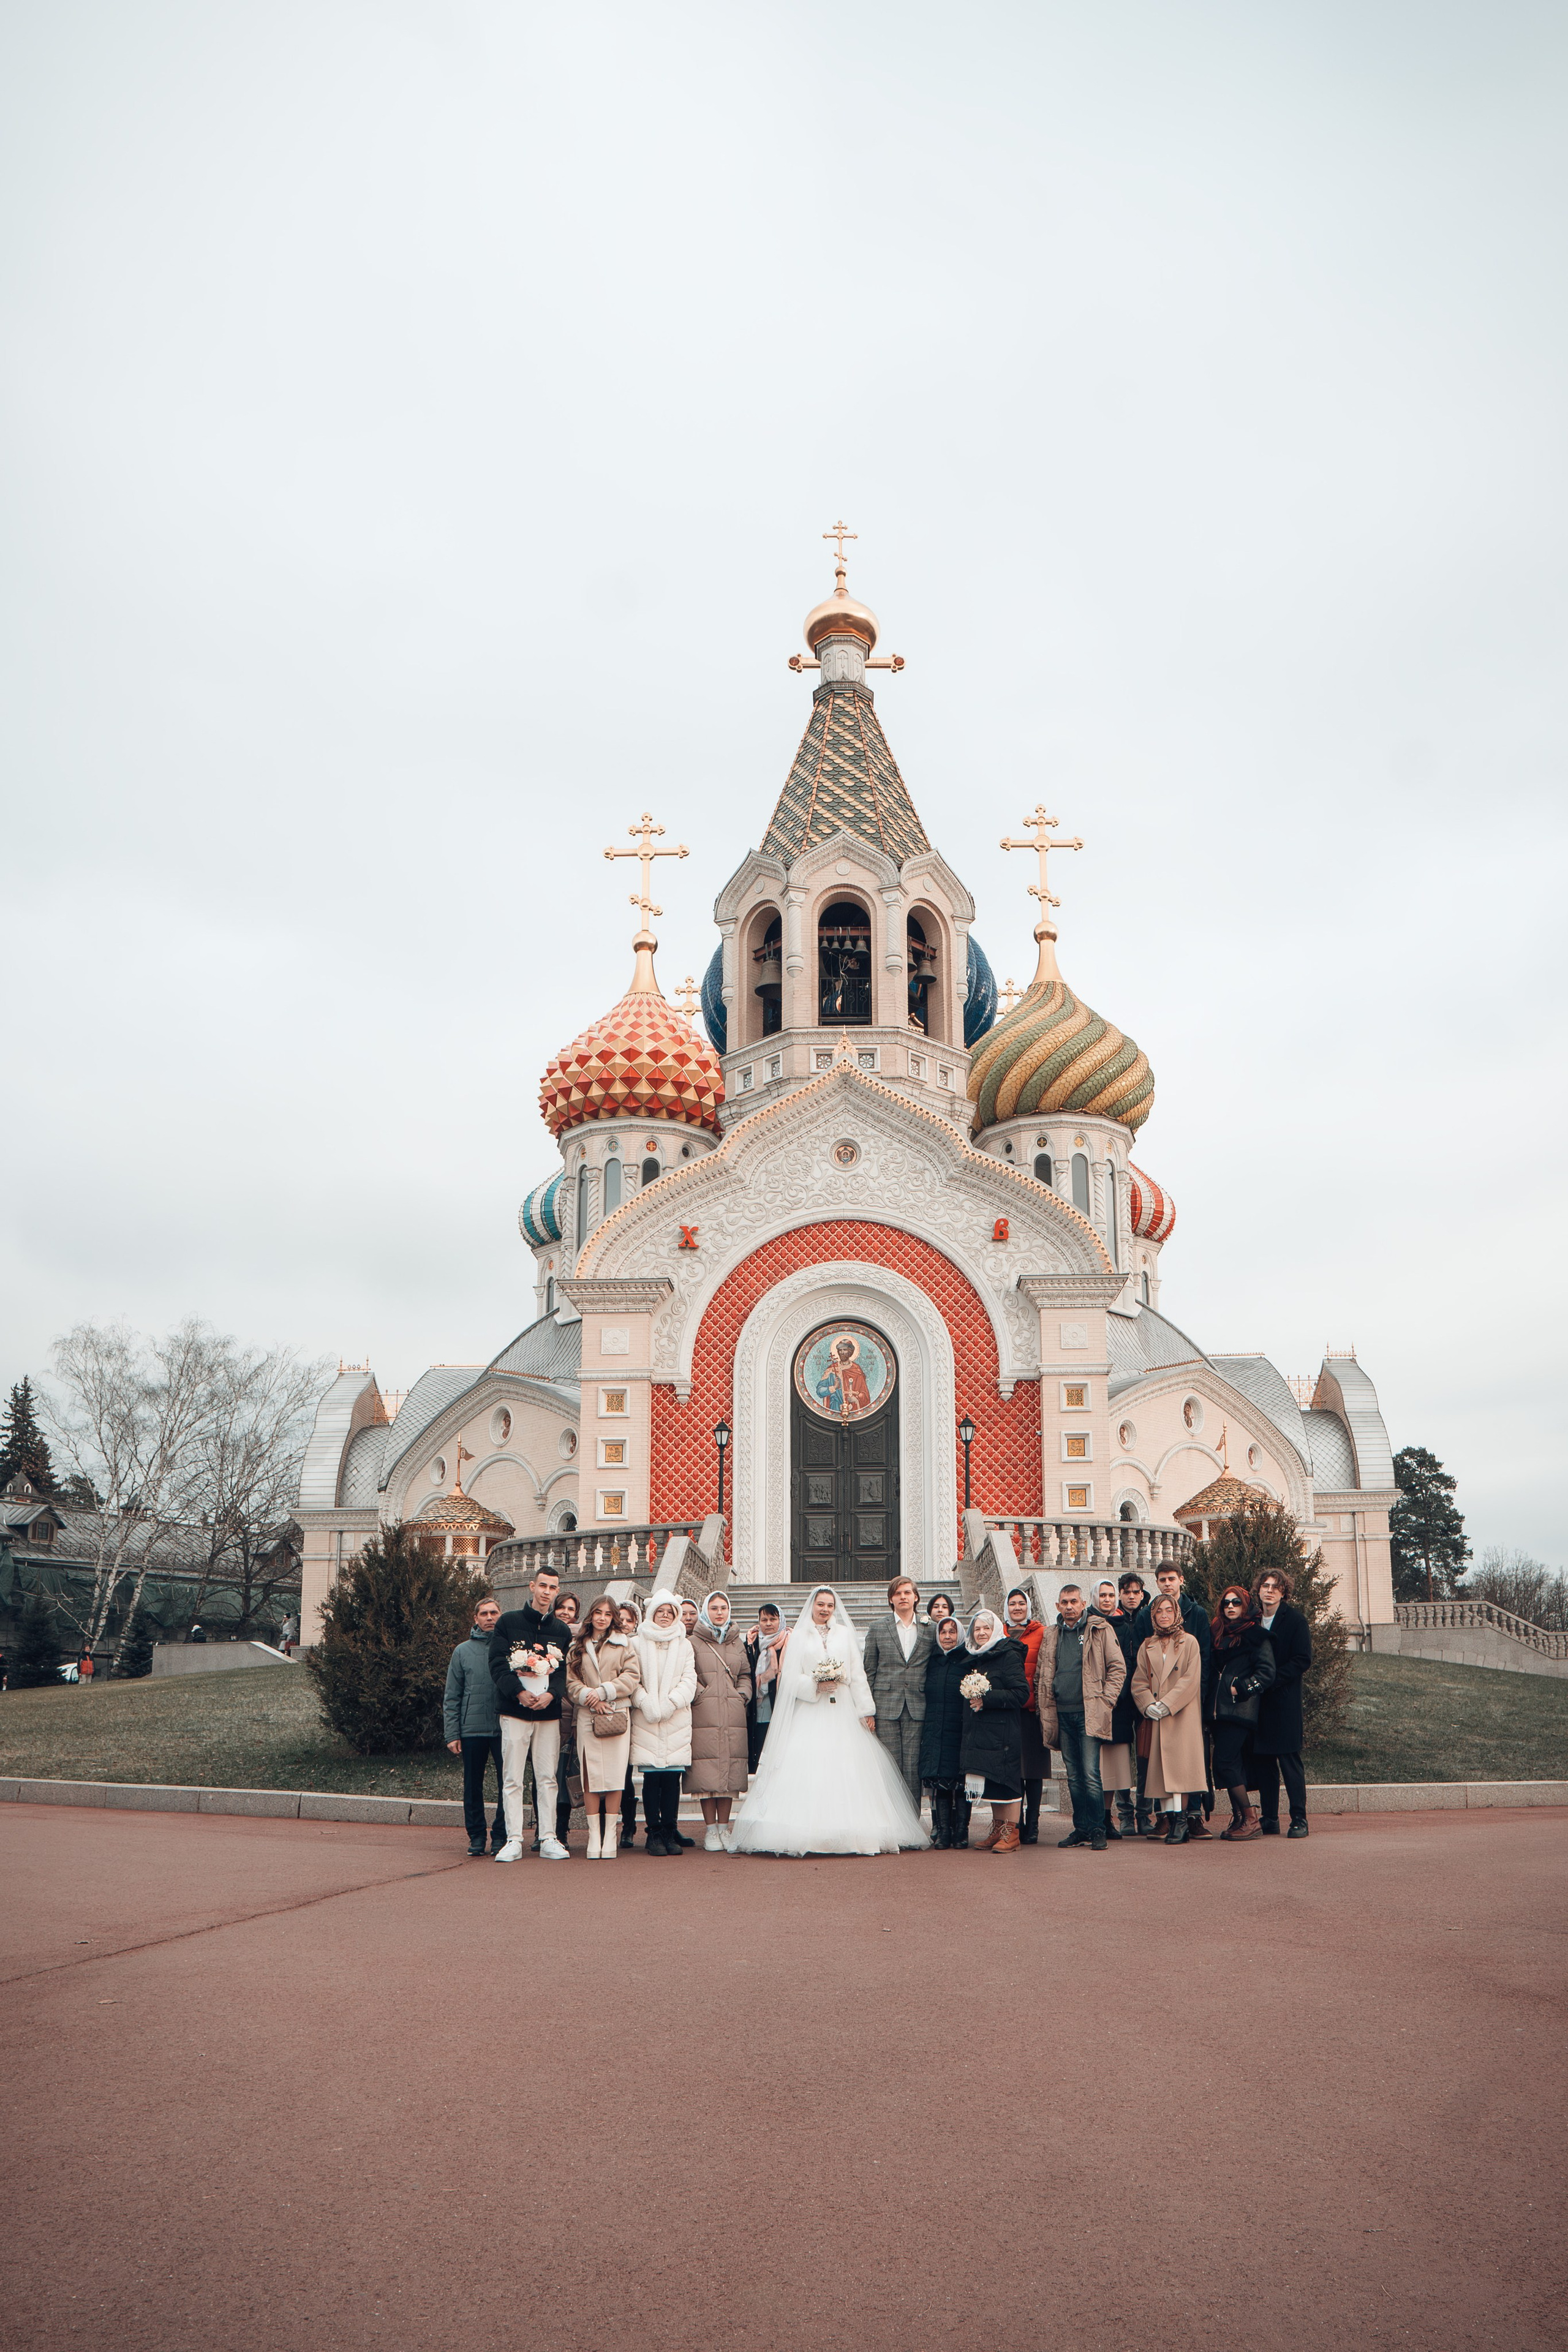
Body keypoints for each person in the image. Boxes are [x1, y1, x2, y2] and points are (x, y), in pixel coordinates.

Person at [733, 1586, 930, 1856]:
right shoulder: (799, 1637)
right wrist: (815, 1684)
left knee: (849, 1767)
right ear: (811, 1606)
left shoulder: (845, 1634)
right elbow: (789, 1678)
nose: (825, 1610)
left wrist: (866, 1710)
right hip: (811, 1711)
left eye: (830, 1605)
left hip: (844, 1709)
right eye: (821, 1604)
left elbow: (858, 1674)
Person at [488, 1565, 576, 1863]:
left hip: (548, 1715)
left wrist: (552, 1695)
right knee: (512, 1777)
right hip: (515, 1711)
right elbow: (498, 1665)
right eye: (542, 1586)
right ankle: (513, 1839)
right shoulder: (509, 1622)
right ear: (532, 1586)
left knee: (547, 1777)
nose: (547, 1592)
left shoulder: (561, 1631)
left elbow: (563, 1673)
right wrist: (519, 1693)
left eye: (552, 1588)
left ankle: (548, 1836)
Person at [1035, 1583, 1125, 1852]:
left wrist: (1106, 1701)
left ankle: (1098, 1829)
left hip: (1089, 1713)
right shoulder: (1052, 1634)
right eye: (1065, 1602)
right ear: (1057, 1606)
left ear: (1083, 1603)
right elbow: (1043, 1672)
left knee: (1091, 1774)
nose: (1070, 1606)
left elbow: (1117, 1668)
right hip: (1062, 1714)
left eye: (1074, 1601)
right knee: (1074, 1776)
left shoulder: (1099, 1629)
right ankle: (1081, 1828)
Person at [1132, 1561, 1213, 1836]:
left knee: (1181, 1769)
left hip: (1181, 1713)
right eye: (1159, 1611)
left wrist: (1168, 1704)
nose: (1164, 1615)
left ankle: (1184, 1820)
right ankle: (1168, 1818)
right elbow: (1139, 1680)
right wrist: (1148, 1705)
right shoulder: (1148, 1644)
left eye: (1169, 1610)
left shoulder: (1189, 1640)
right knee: (1162, 1771)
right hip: (1157, 1715)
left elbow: (1192, 1677)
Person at [566, 1594, 642, 1860]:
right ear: (591, 1615)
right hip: (588, 1715)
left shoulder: (624, 1645)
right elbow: (571, 1681)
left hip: (616, 1714)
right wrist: (590, 1697)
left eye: (608, 1614)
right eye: (598, 1612)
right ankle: (593, 1834)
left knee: (614, 1776)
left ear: (614, 1618)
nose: (602, 1618)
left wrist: (604, 1692)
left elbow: (632, 1677)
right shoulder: (578, 1645)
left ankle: (610, 1833)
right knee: (591, 1775)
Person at [630, 1591, 698, 1857]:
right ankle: (654, 1833)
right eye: (661, 1612)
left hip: (676, 1718)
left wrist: (671, 1702)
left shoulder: (685, 1645)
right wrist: (645, 1702)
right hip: (646, 1719)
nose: (666, 1616)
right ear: (652, 1613)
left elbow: (689, 1679)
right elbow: (631, 1679)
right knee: (651, 1780)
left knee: (672, 1780)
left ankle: (670, 1831)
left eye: (670, 1612)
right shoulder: (636, 1643)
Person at [1207, 1585, 1276, 1842]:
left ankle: (1250, 1818)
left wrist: (1242, 1689)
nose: (1231, 1607)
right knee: (1228, 1764)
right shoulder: (1218, 1632)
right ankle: (1240, 1817)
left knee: (1225, 1761)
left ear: (1245, 1605)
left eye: (1236, 1603)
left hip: (1239, 1709)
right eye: (1226, 1603)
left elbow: (1267, 1673)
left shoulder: (1257, 1635)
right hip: (1217, 1711)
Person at [959, 1605, 1028, 1854]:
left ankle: (1012, 1832)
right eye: (977, 1629)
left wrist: (987, 1698)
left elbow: (1021, 1693)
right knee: (992, 1782)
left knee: (1007, 1782)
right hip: (980, 1732)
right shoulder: (973, 1657)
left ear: (997, 1629)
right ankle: (999, 1828)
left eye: (987, 1628)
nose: (981, 1633)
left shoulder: (1008, 1654)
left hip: (1003, 1732)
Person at [687, 1591, 753, 1850]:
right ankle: (710, 1830)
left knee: (729, 1777)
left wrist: (743, 1695)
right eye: (714, 1608)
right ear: (706, 1611)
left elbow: (746, 1673)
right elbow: (686, 1674)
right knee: (707, 1776)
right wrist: (700, 1695)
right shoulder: (693, 1642)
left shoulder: (737, 1642)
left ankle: (725, 1828)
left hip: (733, 1712)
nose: (719, 1612)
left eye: (723, 1608)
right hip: (704, 1712)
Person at [861, 1575, 934, 1805]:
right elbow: (869, 1671)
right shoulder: (877, 1628)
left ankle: (912, 1827)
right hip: (885, 1708)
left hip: (917, 1706)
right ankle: (892, 1828)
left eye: (907, 1593)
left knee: (913, 1767)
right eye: (898, 1593)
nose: (903, 1597)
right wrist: (867, 1709)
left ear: (916, 1597)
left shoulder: (930, 1629)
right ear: (891, 1599)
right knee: (889, 1766)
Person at [1252, 1569, 1313, 1838]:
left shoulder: (1295, 1620)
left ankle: (1299, 1819)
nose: (1269, 1591)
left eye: (1275, 1587)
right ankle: (1269, 1818)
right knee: (1265, 1763)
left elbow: (1303, 1659)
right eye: (1265, 1586)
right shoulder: (1253, 1620)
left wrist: (1272, 1679)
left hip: (1285, 1701)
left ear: (1284, 1592)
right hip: (1258, 1704)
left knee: (1289, 1762)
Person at [444, 1593, 506, 1855]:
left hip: (505, 1727)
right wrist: (452, 1734)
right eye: (484, 1614)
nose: (490, 1618)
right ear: (476, 1619)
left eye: (494, 1613)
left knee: (509, 1783)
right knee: (473, 1786)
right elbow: (452, 1695)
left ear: (500, 1616)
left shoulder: (509, 1647)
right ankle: (477, 1837)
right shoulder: (462, 1651)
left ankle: (502, 1836)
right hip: (472, 1729)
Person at [919, 1612, 973, 1847]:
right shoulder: (932, 1660)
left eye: (952, 1632)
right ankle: (943, 1832)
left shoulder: (969, 1659)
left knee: (961, 1783)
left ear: (960, 1634)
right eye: (943, 1632)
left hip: (960, 1728)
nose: (947, 1636)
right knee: (939, 1780)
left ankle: (961, 1831)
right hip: (935, 1727)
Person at [1005, 1587, 1049, 1843]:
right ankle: (1016, 1822)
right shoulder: (999, 1632)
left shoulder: (1041, 1632)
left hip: (1033, 1711)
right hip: (1009, 1711)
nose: (1017, 1608)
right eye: (1013, 1604)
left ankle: (1033, 1822)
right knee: (1013, 1771)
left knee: (1033, 1771)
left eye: (1022, 1603)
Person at [1114, 1572, 1152, 1832]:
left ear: (1142, 1594)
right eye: (1126, 1592)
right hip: (1118, 1697)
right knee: (1119, 1756)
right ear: (1120, 1594)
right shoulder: (1110, 1620)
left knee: (1145, 1755)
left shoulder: (1150, 1617)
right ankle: (1125, 1813)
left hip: (1143, 1693)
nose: (1131, 1596)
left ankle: (1145, 1814)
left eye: (1135, 1592)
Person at [547, 1591, 582, 1852]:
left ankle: (561, 1830)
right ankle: (542, 1829)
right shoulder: (545, 1634)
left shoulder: (580, 1642)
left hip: (571, 1715)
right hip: (546, 1711)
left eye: (571, 1609)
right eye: (561, 1608)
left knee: (565, 1773)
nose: (566, 1613)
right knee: (545, 1774)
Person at [615, 1600, 648, 1846]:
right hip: (617, 1714)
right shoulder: (608, 1644)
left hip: (643, 1713)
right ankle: (628, 1826)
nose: (624, 1624)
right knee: (623, 1774)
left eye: (629, 1620)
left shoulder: (641, 1645)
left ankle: (658, 1826)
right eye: (621, 1619)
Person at [744, 1602, 786, 1771]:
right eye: (764, 1619)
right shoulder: (751, 1644)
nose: (768, 1623)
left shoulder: (788, 1643)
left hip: (778, 1708)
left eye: (773, 1619)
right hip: (756, 1709)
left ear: (780, 1621)